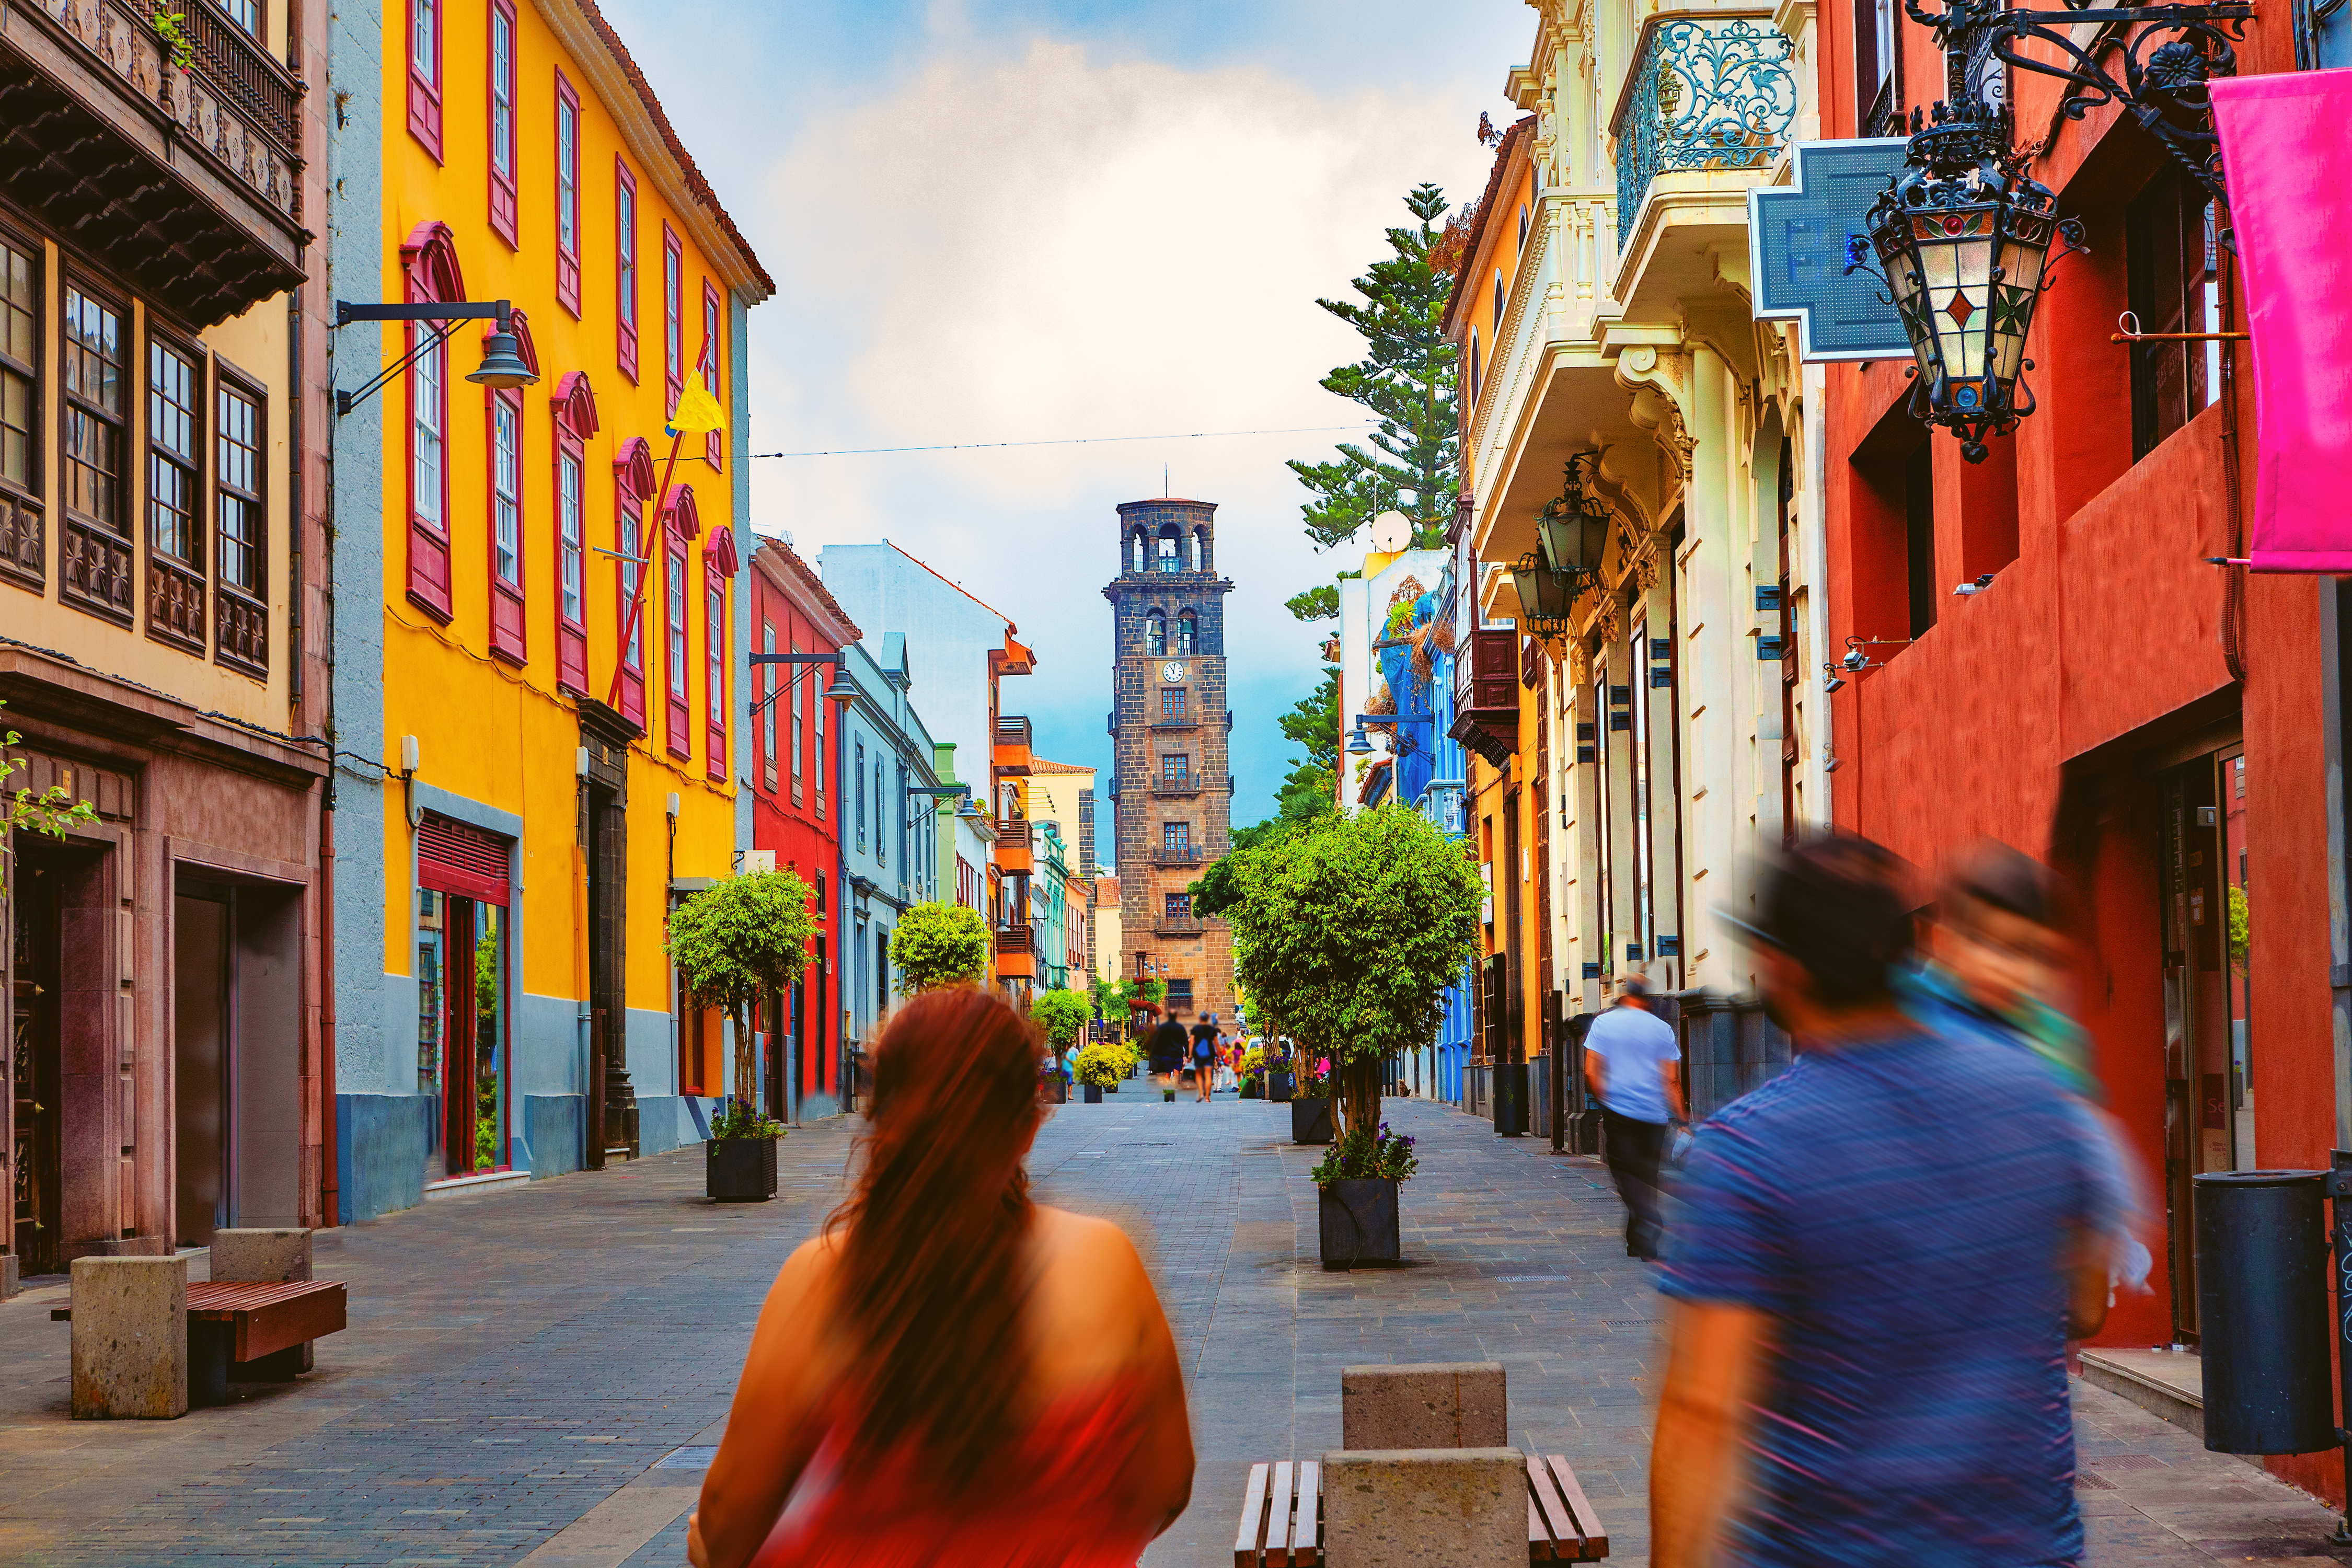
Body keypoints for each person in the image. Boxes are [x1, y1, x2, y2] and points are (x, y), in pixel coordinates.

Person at [1650, 836, 2107, 1568]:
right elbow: (2084, 1304)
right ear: (1912, 950)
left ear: (1782, 969)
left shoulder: (1749, 1152)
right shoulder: (2040, 1097)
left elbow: (1705, 1409)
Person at [687, 987, 1194, 1568]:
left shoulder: (822, 1279)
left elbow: (726, 1528)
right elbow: (1167, 1486)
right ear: (1028, 1128)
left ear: (880, 1120)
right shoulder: (1107, 1263)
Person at [1582, 974, 1685, 1261]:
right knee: (1646, 1175)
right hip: (1654, 1117)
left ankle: (1650, 1221)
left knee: (1626, 1174)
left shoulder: (1604, 1023)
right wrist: (1683, 1119)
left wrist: (1607, 1104)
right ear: (1646, 999)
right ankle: (1640, 1243)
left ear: (1626, 996)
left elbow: (1591, 1071)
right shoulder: (1663, 1028)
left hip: (1620, 1114)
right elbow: (1671, 1080)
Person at [1147, 1009, 1189, 1103]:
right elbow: (1185, 1042)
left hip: (1166, 1054)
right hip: (1178, 1054)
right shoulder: (1180, 1028)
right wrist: (1188, 1054)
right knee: (1176, 1074)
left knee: (1167, 1074)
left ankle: (1167, 1092)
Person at [1190, 1012, 1218, 1103]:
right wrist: (1219, 1056)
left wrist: (1190, 1055)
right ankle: (1207, 1097)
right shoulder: (1212, 1029)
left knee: (1198, 1074)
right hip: (1209, 1054)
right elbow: (1216, 1043)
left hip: (1198, 1055)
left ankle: (1201, 1093)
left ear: (1200, 1019)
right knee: (1208, 1075)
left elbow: (1191, 1043)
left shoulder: (1195, 1029)